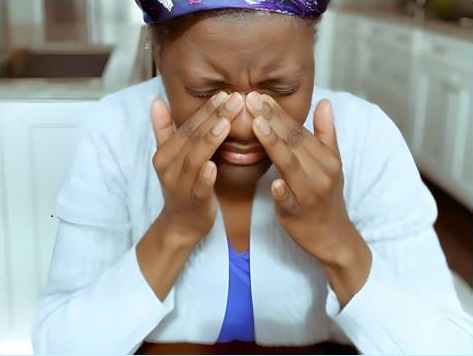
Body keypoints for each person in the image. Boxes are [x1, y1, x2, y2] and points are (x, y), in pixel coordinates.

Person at [32, 0, 473, 354]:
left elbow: (449, 345)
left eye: (280, 89)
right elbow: (59, 345)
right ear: (159, 55)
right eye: (205, 92)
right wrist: (175, 229)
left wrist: (335, 238)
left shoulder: (365, 136)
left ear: (312, 52)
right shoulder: (115, 129)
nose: (243, 126)